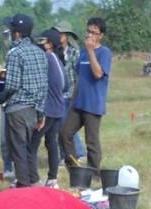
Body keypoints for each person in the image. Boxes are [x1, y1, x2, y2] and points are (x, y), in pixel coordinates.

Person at [0, 13, 47, 187]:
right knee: (28, 150)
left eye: (11, 29)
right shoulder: (40, 53)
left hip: (17, 108)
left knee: (18, 150)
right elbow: (43, 85)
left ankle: (24, 187)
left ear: (17, 33)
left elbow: (11, 85)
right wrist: (41, 113)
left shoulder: (15, 53)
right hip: (34, 109)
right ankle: (34, 182)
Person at [61, 17, 111, 172]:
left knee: (92, 142)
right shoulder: (81, 53)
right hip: (78, 103)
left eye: (94, 33)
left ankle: (94, 174)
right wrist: (72, 101)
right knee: (64, 134)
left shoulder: (104, 53)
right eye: (88, 31)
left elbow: (97, 74)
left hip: (93, 105)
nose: (90, 35)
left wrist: (91, 51)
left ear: (101, 35)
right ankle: (75, 169)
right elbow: (79, 78)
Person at [28, 29, 66, 188]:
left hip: (47, 110)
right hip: (59, 109)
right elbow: (66, 86)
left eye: (42, 40)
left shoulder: (46, 59)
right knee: (51, 143)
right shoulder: (58, 59)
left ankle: (32, 179)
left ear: (49, 44)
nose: (40, 43)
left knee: (31, 144)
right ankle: (52, 179)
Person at [51, 20, 85, 162]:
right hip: (58, 95)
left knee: (66, 126)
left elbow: (79, 75)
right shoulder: (53, 53)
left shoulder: (74, 53)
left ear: (66, 36)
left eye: (59, 34)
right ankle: (65, 155)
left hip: (70, 95)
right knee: (58, 127)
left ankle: (79, 152)